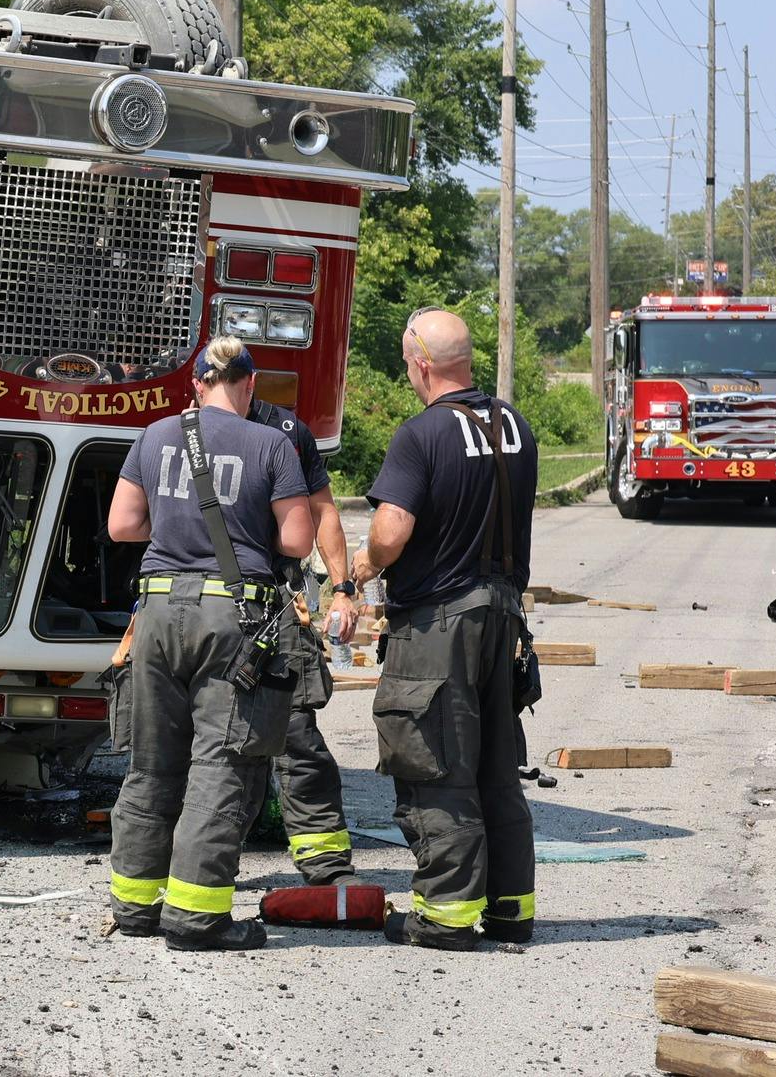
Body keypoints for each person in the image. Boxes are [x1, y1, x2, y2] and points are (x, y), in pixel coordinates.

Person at [105, 337, 314, 951]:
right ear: (249, 387)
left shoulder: (154, 436)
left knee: (150, 763)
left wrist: (176, 529)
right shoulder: (271, 443)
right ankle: (196, 916)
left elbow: (123, 526)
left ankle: (134, 907)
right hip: (232, 619)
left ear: (195, 385)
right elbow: (298, 541)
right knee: (220, 764)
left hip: (156, 613)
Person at [353, 307, 538, 951]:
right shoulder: (513, 425)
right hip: (504, 617)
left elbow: (392, 530)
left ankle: (447, 914)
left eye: (408, 360)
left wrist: (367, 562)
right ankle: (511, 908)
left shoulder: (421, 435)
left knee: (435, 761)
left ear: (422, 363)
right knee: (494, 765)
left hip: (439, 624)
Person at [247, 395, 361, 884]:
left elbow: (323, 511)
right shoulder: (179, 434)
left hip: (274, 603)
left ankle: (325, 864)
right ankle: (198, 867)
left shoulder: (288, 431)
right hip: (213, 606)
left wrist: (342, 590)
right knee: (207, 740)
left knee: (294, 733)